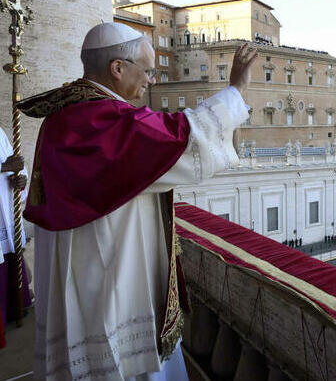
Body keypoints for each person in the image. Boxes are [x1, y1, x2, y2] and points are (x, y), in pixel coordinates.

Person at [21, 23, 257, 380]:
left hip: (84, 263)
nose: (150, 80)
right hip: (110, 270)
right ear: (118, 68)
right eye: (146, 71)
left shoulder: (65, 115)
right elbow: (184, 137)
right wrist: (236, 91)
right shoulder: (105, 120)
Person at [0, 141, 29, 349]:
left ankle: (12, 308)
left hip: (4, 205)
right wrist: (2, 168)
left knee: (11, 253)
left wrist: (20, 181)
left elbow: (17, 165)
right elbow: (6, 165)